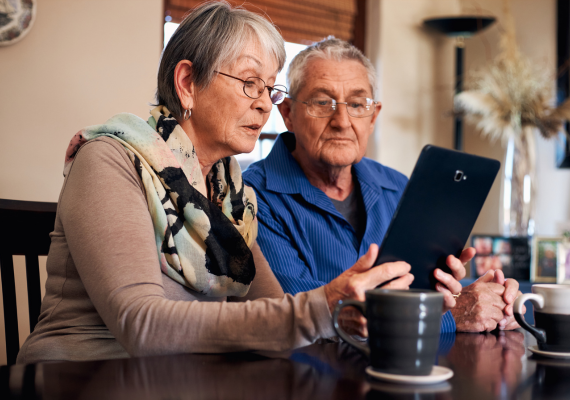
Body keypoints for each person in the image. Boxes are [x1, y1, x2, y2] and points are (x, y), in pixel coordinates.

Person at [16, 3, 419, 364]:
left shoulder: (232, 195)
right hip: (82, 376)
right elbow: (139, 324)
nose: (264, 104)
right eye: (249, 82)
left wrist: (341, 313)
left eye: (269, 87)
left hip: (184, 379)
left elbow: (277, 321)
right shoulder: (110, 159)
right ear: (188, 82)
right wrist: (321, 306)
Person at [243, 38, 523, 333]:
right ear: (288, 113)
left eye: (356, 104)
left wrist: (487, 300)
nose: (342, 121)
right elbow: (301, 317)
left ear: (373, 116)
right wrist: (451, 315)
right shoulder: (251, 197)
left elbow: (432, 292)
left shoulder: (398, 187)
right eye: (323, 102)